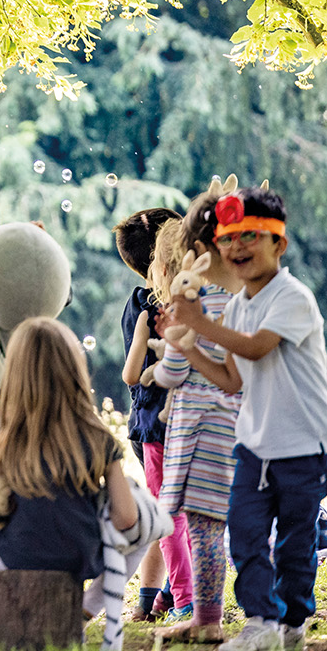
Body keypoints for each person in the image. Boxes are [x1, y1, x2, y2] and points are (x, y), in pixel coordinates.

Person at [169, 185, 327, 651]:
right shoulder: (240, 306)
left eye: (250, 236)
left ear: (278, 244)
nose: (236, 247)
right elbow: (232, 378)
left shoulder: (293, 297)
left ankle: (293, 623)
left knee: (293, 544)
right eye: (227, 238)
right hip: (255, 445)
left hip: (306, 445)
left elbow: (257, 347)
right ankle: (261, 621)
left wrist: (199, 321)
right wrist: (188, 349)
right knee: (244, 534)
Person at [0, 317, 142, 577]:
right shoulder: (96, 437)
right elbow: (126, 517)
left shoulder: (1, 437)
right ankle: (89, 607)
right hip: (79, 559)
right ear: (75, 370)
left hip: (9, 560)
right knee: (146, 511)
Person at [149, 204, 242, 644]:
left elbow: (173, 372)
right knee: (221, 525)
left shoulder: (191, 301)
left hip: (198, 431)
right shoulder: (243, 300)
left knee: (204, 530)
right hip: (235, 426)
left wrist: (156, 367)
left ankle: (207, 619)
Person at [114, 206, 192, 623]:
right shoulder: (152, 308)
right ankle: (161, 598)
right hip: (163, 427)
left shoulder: (159, 306)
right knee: (172, 516)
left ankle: (168, 598)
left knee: (171, 515)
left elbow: (134, 376)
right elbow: (136, 375)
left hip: (168, 427)